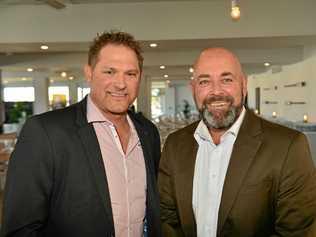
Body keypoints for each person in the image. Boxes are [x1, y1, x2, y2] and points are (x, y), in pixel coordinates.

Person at [1, 31, 161, 237]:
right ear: (89, 72)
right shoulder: (46, 132)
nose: (121, 84)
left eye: (130, 74)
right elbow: (20, 228)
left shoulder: (147, 132)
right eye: (110, 72)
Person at [158, 47, 316, 237]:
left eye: (227, 80)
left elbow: (297, 231)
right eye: (205, 81)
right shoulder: (175, 144)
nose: (216, 91)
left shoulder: (288, 147)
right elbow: (167, 220)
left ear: (243, 85)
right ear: (193, 89)